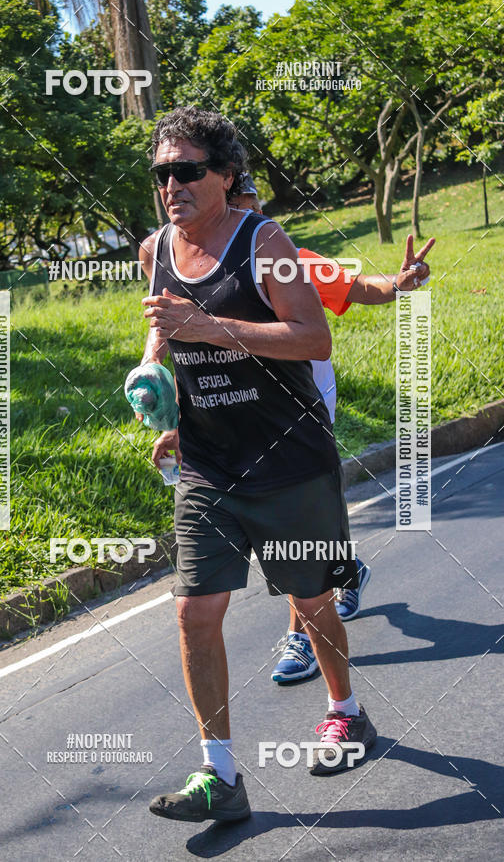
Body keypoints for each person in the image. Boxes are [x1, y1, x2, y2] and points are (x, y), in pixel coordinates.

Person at [139, 106, 377, 825]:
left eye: (188, 170)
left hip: (289, 458)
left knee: (310, 602)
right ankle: (220, 776)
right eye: (161, 173)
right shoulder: (154, 250)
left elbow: (314, 338)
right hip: (210, 464)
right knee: (193, 612)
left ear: (226, 175)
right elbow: (161, 338)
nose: (172, 184)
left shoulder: (264, 240)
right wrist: (164, 401)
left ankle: (346, 709)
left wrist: (211, 326)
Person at [229, 178, 434, 684]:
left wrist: (401, 282)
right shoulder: (194, 269)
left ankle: (301, 636)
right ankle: (346, 566)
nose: (252, 225)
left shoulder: (288, 258)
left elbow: (362, 289)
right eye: (239, 212)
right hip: (240, 414)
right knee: (296, 519)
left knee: (297, 517)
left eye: (257, 213)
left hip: (304, 405)